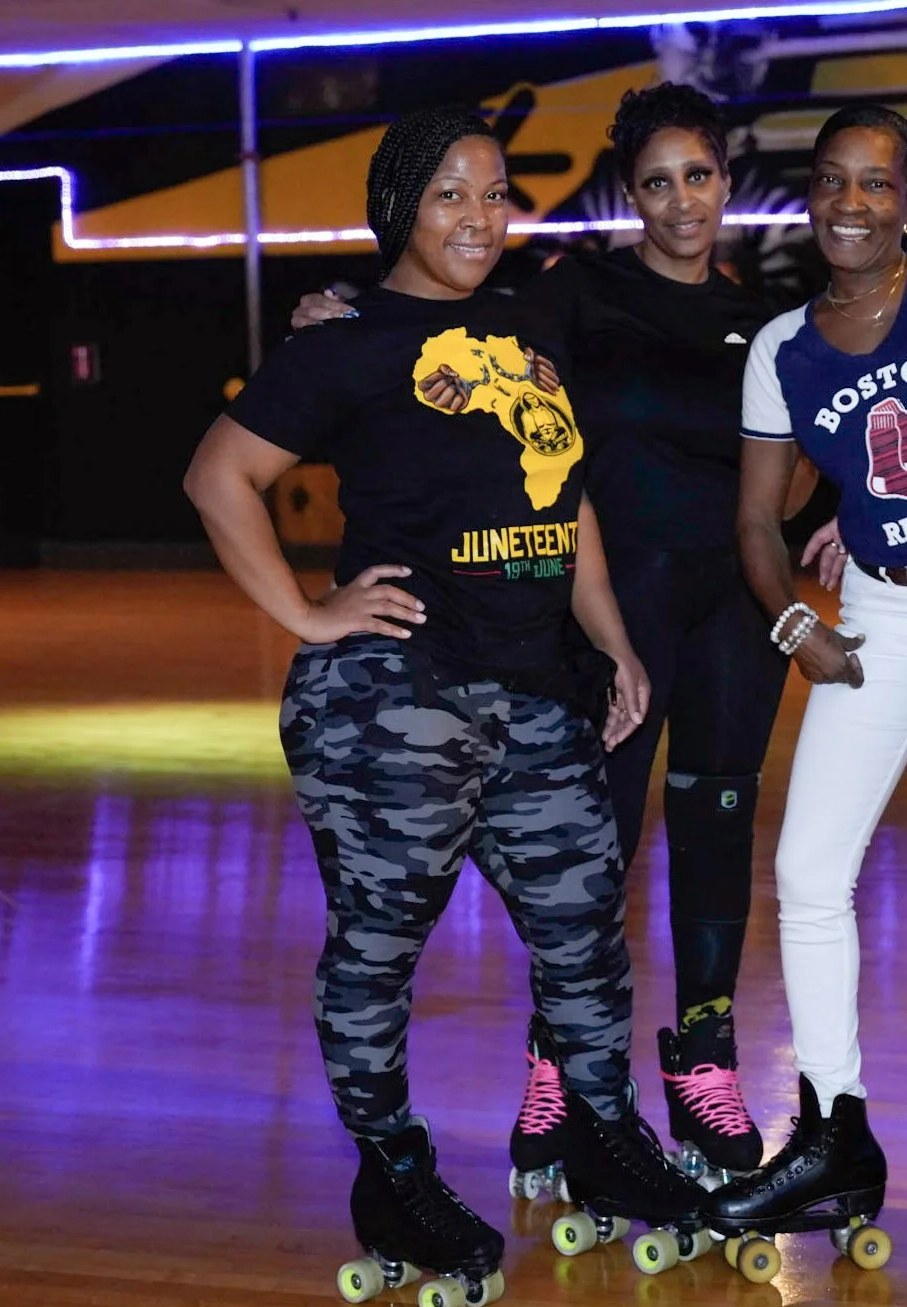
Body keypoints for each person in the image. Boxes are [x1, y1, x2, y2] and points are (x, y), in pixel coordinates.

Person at [187, 108, 707, 1307]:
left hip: (536, 692)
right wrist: (307, 616)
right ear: (398, 210)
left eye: (494, 194)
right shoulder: (345, 337)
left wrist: (612, 639)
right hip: (393, 705)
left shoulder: (525, 324)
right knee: (380, 950)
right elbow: (220, 476)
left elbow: (562, 496)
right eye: (448, 197)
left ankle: (598, 1139)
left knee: (585, 935)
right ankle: (392, 1170)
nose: (479, 218)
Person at [293, 85, 790, 1183]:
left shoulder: (761, 322)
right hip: (609, 617)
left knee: (712, 839)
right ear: (629, 193)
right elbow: (437, 329)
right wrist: (337, 309)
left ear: (724, 182)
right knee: (577, 866)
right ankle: (557, 1078)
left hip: (728, 621)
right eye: (655, 181)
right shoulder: (567, 297)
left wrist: (840, 529)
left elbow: (804, 459)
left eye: (697, 176)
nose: (679, 202)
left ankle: (702, 1068)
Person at [704, 103, 907, 1271]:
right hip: (882, 611)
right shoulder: (781, 346)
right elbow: (751, 517)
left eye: (876, 184)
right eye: (830, 182)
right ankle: (836, 1129)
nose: (849, 203)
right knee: (804, 870)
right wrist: (795, 623)